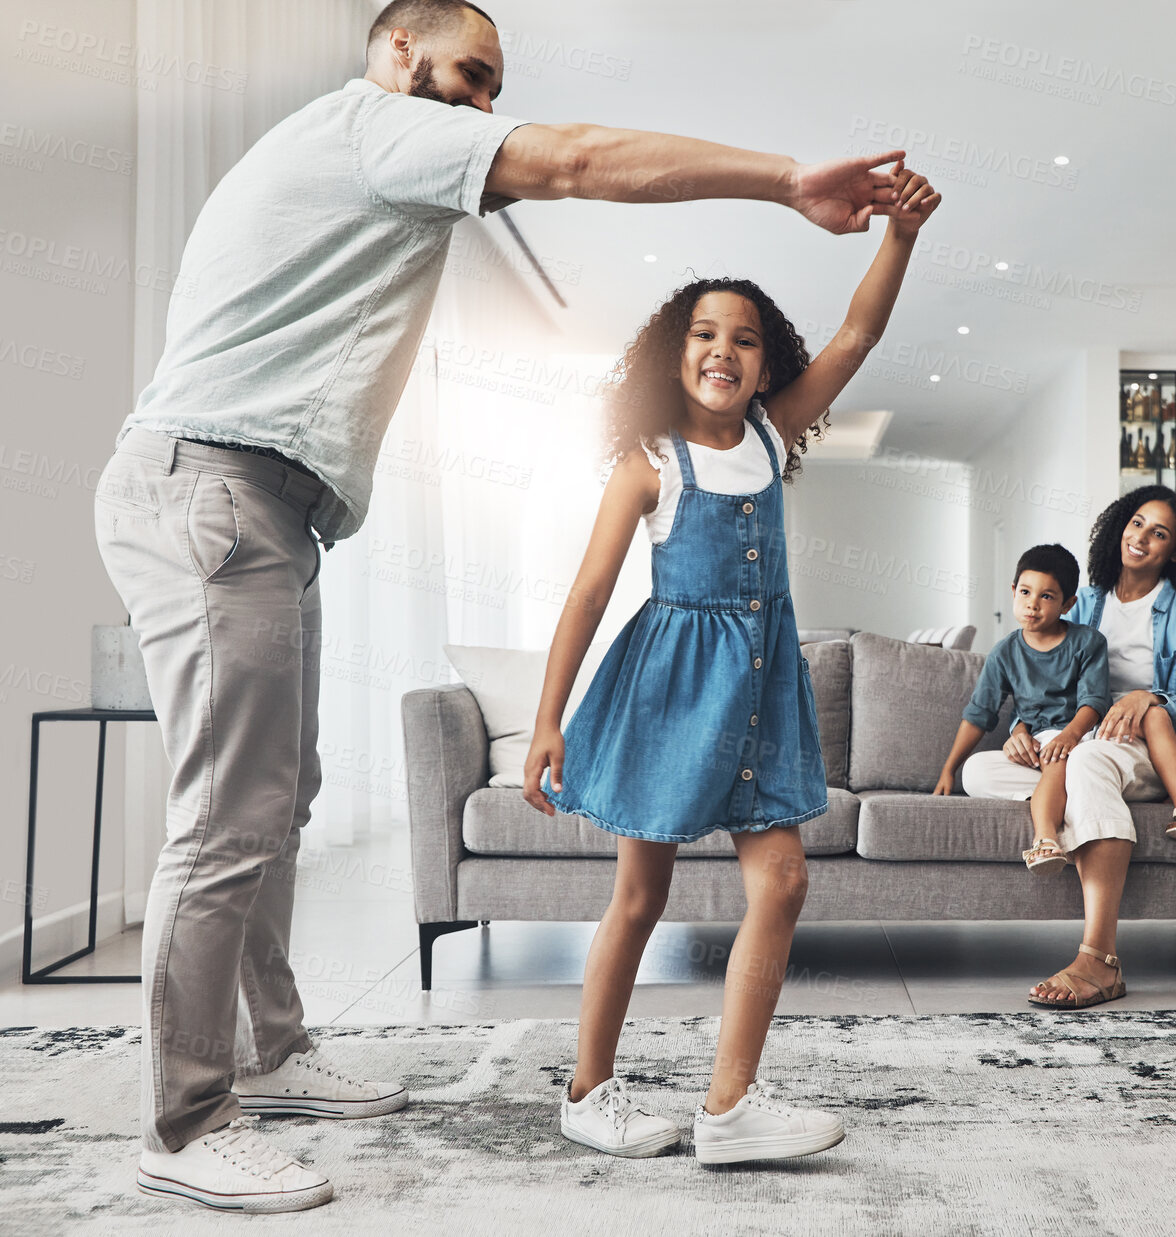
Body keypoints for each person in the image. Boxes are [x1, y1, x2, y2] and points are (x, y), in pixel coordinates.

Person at [94, 0, 912, 1213]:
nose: (484, 106)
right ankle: (182, 1116)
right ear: (396, 51)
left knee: (280, 799)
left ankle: (266, 1051)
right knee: (226, 817)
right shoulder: (377, 126)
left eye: (495, 87)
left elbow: (841, 346)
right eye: (470, 76)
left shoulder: (377, 166)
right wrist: (787, 181)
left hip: (270, 506)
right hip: (210, 486)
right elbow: (576, 159)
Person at [522, 166, 940, 1166]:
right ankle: (587, 1087)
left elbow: (856, 337)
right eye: (705, 333)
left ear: (765, 365)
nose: (723, 349)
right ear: (675, 356)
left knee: (784, 881)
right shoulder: (649, 462)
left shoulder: (770, 429)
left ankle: (729, 1105)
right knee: (639, 897)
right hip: (669, 691)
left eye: (745, 338)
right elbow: (586, 596)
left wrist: (899, 238)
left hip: (760, 691)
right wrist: (547, 719)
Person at [962, 487, 1176, 1011]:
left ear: (1175, 551)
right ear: (1119, 528)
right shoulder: (1082, 603)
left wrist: (1148, 699)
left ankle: (1100, 959)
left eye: (1160, 533)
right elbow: (1044, 682)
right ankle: (1090, 796)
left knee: (1083, 760)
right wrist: (1021, 727)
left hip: (1161, 744)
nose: (1141, 538)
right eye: (1136, 523)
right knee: (981, 771)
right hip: (1087, 742)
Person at [931, 545, 1109, 873]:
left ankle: (1046, 839)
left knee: (1057, 756)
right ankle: (1062, 800)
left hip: (1080, 741)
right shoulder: (1004, 653)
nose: (1032, 603)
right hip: (1037, 750)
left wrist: (1068, 738)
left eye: (1047, 596)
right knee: (975, 772)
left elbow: (1094, 702)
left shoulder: (1088, 642)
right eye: (1026, 592)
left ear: (1068, 604)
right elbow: (979, 713)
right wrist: (949, 769)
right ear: (1013, 591)